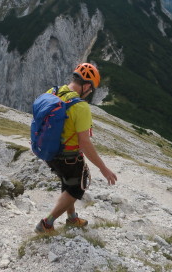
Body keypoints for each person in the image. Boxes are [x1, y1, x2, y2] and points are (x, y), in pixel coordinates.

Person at [35, 63, 118, 234]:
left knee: (68, 182)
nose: (90, 93)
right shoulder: (80, 106)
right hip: (68, 157)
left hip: (49, 152)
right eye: (91, 89)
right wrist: (103, 168)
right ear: (87, 86)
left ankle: (72, 218)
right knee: (78, 186)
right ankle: (46, 224)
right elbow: (84, 143)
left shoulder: (53, 92)